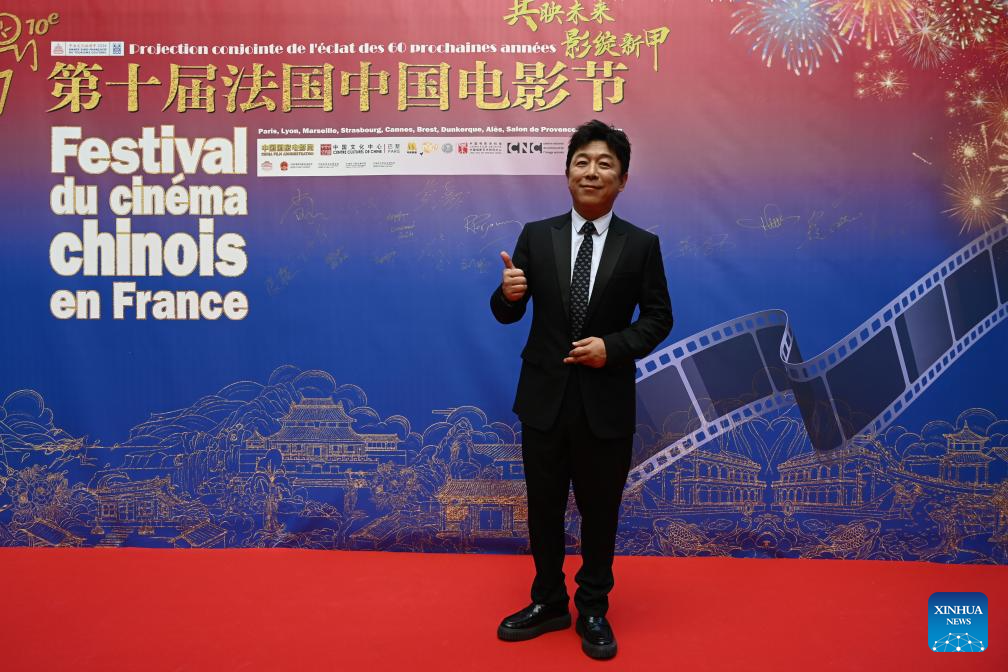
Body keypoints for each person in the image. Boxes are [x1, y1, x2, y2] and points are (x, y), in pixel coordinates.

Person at [490, 120, 673, 660]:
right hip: (544, 398)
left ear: (622, 179)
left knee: (600, 511)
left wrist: (611, 347)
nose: (591, 172)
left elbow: (658, 318)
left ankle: (593, 606)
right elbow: (507, 314)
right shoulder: (535, 235)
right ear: (567, 172)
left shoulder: (641, 245)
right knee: (543, 508)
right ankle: (548, 601)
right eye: (582, 162)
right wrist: (507, 294)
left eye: (604, 164)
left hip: (605, 400)